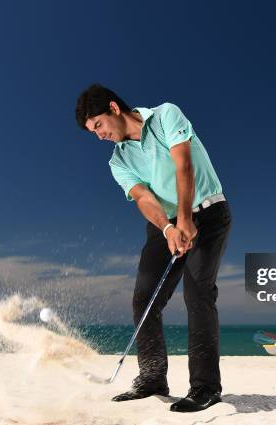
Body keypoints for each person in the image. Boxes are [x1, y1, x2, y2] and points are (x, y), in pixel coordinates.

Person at [75, 84, 232, 412]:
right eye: (93, 132)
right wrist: (168, 227)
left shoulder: (164, 116)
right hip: (168, 222)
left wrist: (186, 219)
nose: (99, 136)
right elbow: (144, 198)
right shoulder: (118, 161)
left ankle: (205, 388)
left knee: (198, 293)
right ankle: (152, 378)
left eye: (99, 125)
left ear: (114, 109)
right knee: (145, 298)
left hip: (209, 213)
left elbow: (183, 165)